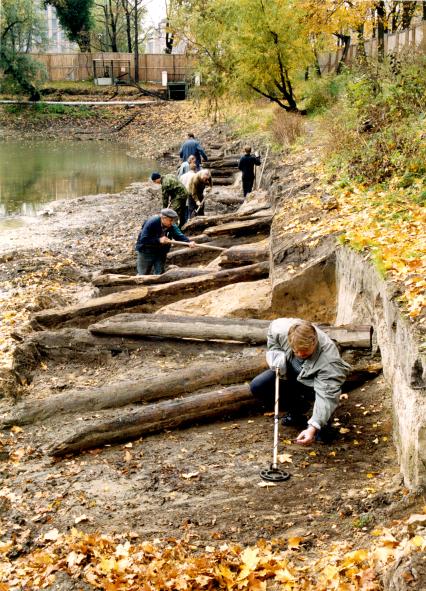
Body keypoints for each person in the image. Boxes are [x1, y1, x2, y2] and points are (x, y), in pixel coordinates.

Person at [250, 318, 351, 445]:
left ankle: (322, 423)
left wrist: (313, 427)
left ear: (314, 342)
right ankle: (297, 409)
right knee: (259, 386)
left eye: (305, 352)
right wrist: (276, 353)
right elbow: (272, 335)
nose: (299, 354)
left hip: (317, 383)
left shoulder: (329, 360)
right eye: (296, 351)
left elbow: (327, 395)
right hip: (294, 374)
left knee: (323, 416)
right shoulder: (281, 329)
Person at [135, 208, 196, 275]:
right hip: (146, 250)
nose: (172, 222)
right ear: (163, 218)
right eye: (170, 220)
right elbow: (144, 239)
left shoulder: (171, 225)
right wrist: (159, 240)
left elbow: (178, 235)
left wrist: (188, 242)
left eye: (173, 220)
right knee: (143, 273)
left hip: (161, 251)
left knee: (160, 273)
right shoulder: (152, 222)